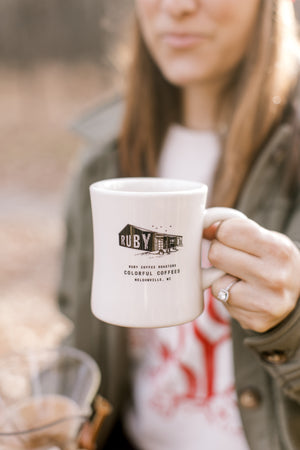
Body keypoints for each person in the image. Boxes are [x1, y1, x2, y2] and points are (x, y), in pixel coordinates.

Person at [58, 1, 300, 449]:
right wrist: (55, 413)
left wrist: (292, 325)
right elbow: (78, 331)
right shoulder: (103, 158)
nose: (177, 7)